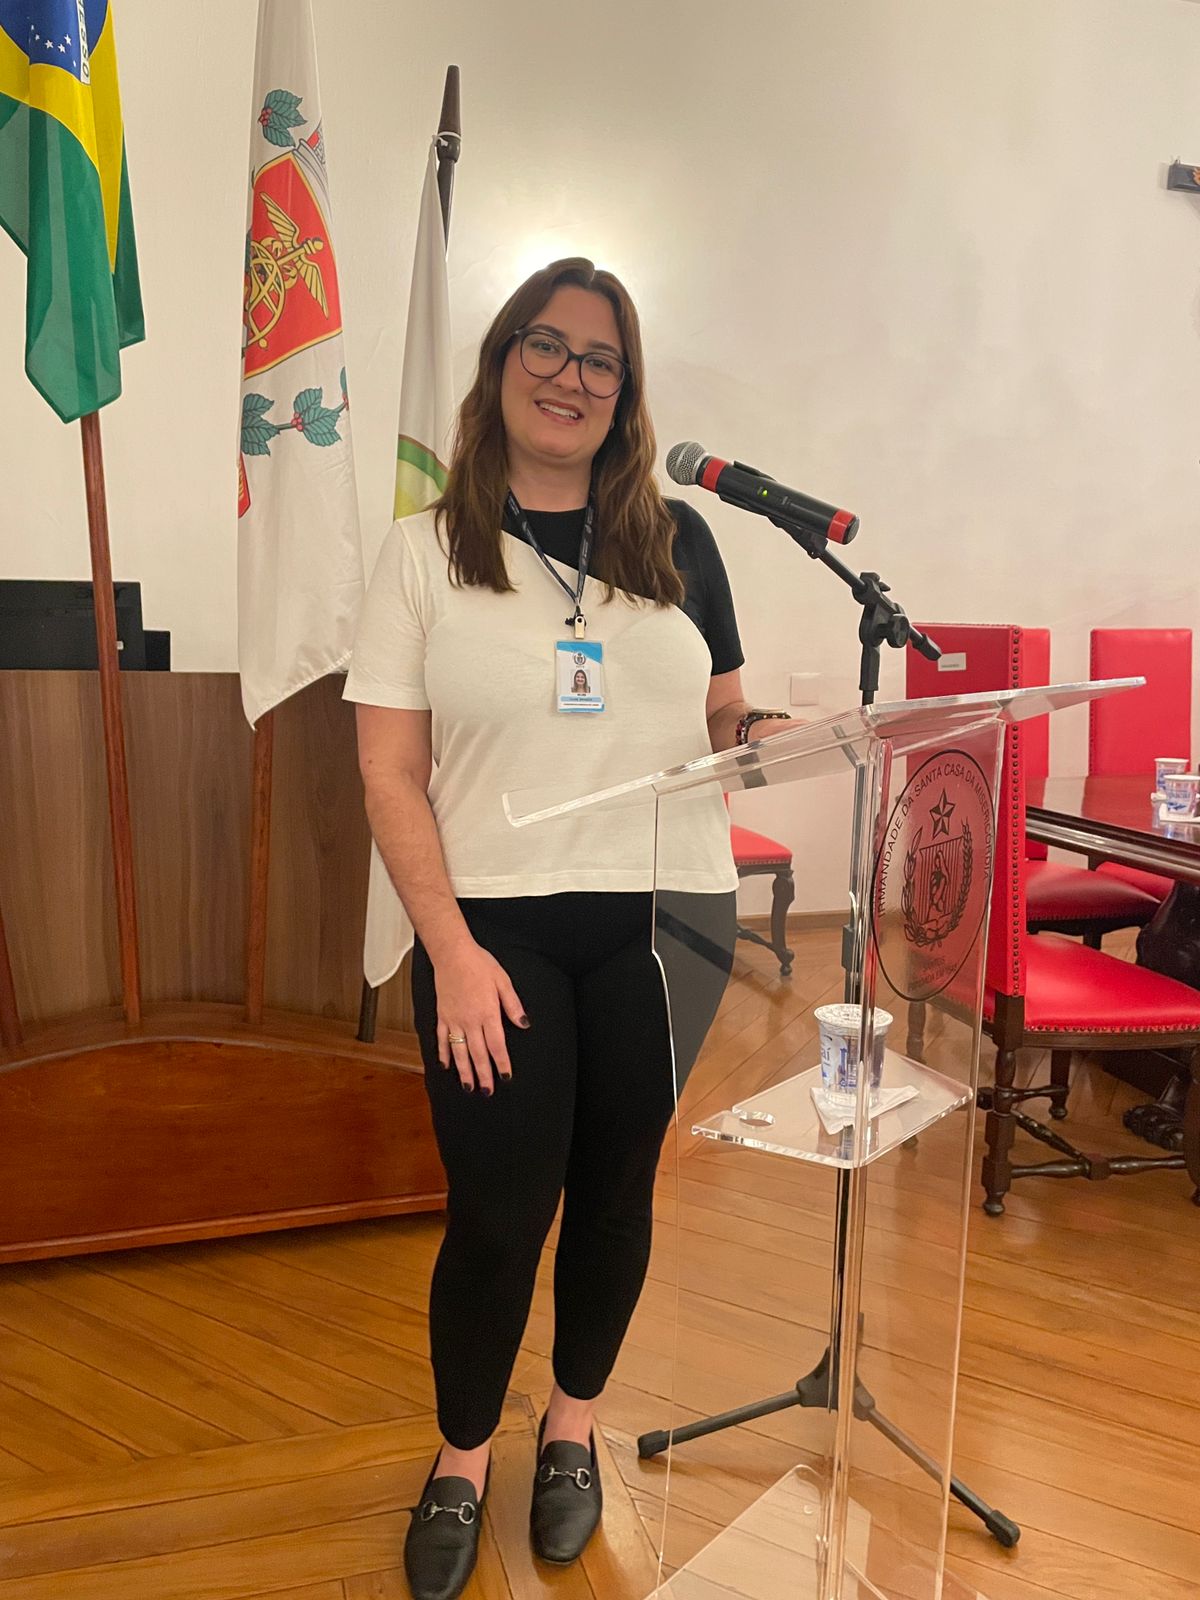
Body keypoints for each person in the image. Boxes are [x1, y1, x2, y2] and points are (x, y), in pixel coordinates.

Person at [345, 257, 797, 1600]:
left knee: (614, 1194)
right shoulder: (426, 551)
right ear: (500, 367)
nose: (571, 375)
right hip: (493, 928)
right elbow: (389, 773)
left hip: (668, 921)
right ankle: (461, 1455)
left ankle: (571, 1429)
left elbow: (716, 712)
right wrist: (450, 950)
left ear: (627, 391)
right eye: (544, 345)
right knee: (499, 1211)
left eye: (602, 358)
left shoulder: (681, 541)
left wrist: (762, 733)